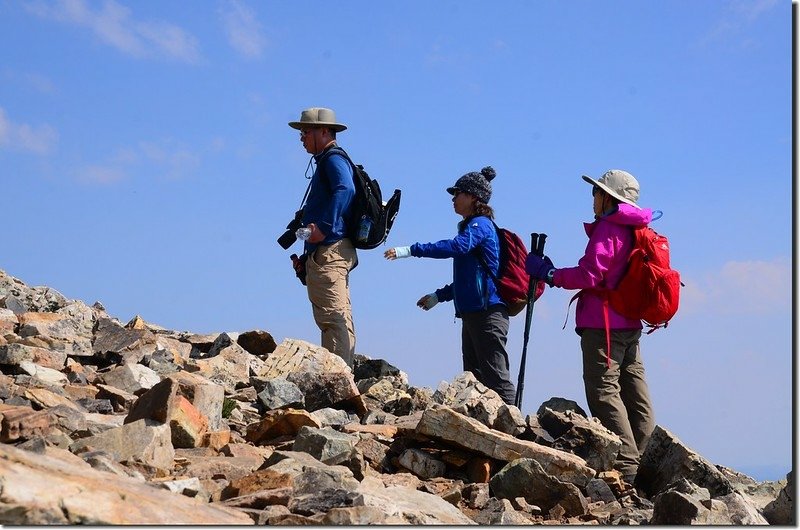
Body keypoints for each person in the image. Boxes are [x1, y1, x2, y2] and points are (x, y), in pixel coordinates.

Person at [524, 169, 655, 483]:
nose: (592, 198)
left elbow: (590, 274)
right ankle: (650, 462)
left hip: (603, 325)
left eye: (596, 192)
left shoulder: (609, 228)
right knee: (635, 393)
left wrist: (550, 274)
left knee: (603, 392)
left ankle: (627, 469)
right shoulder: (636, 228)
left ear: (608, 197)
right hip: (630, 322)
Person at [385, 167, 517, 405]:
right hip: (474, 313)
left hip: (489, 313)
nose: (453, 198)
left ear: (474, 197)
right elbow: (469, 280)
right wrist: (439, 296)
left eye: (458, 193)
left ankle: (516, 429)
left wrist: (411, 250)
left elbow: (456, 247)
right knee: (474, 379)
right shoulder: (471, 228)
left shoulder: (481, 226)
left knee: (496, 378)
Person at [288, 107, 357, 366]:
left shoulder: (332, 159)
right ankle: (343, 373)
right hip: (328, 251)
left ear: (324, 131)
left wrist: (324, 227)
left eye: (306, 131)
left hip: (330, 249)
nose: (301, 137)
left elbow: (345, 188)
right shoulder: (329, 160)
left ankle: (339, 380)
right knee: (337, 316)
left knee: (332, 318)